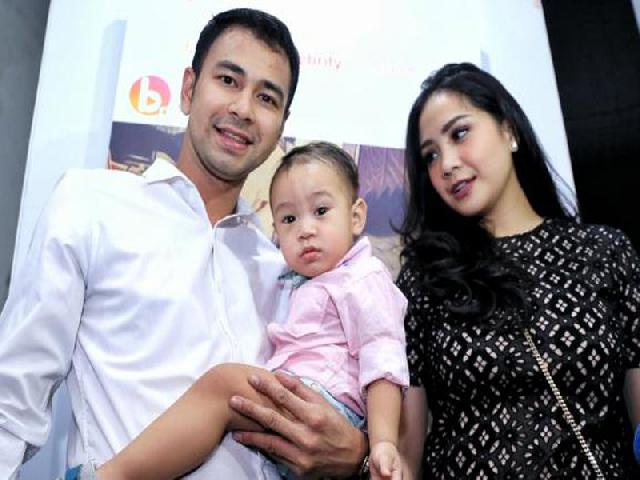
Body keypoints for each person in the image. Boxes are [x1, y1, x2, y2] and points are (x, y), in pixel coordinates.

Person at [0, 9, 368, 480]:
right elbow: (13, 397)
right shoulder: (91, 204)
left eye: (266, 97)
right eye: (228, 81)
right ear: (189, 89)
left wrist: (357, 452)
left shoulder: (282, 272)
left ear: (280, 127)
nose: (243, 109)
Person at [91, 141, 409, 480]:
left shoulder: (363, 277)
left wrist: (383, 442)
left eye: (320, 211)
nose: (305, 230)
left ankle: (106, 477)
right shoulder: (289, 279)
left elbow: (383, 357)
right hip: (295, 404)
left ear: (356, 216)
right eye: (289, 219)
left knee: (224, 384)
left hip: (325, 405)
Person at [396, 62, 640, 478]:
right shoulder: (424, 278)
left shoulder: (605, 252)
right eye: (430, 155)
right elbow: (406, 454)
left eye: (459, 134)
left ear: (508, 130)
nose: (447, 164)